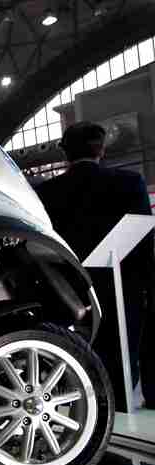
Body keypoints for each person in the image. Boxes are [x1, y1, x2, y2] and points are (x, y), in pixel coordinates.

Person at [35, 121, 155, 410]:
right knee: (124, 342)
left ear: (65, 152)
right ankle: (120, 403)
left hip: (68, 284)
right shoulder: (129, 182)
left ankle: (78, 403)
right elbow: (143, 235)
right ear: (101, 149)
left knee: (73, 345)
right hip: (121, 279)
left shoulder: (47, 191)